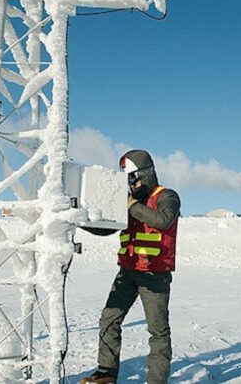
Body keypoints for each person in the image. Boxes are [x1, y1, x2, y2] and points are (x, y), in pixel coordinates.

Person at [81, 149, 181, 384]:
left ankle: (157, 381)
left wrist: (130, 204)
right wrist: (79, 220)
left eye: (134, 177)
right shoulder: (130, 202)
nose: (131, 183)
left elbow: (163, 220)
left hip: (155, 276)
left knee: (157, 331)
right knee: (109, 319)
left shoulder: (167, 196)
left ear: (147, 173)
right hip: (128, 272)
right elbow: (106, 228)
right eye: (128, 179)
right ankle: (106, 373)